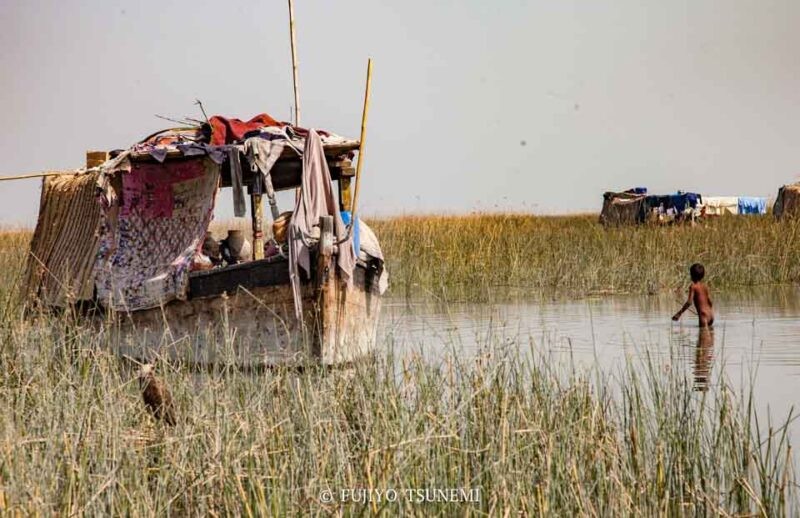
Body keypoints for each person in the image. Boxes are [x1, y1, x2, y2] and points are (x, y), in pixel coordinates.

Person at [672, 263, 714, 327]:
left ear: (691, 275)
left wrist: (679, 313)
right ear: (703, 275)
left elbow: (689, 302)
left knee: (702, 335)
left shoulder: (693, 287)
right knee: (710, 335)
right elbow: (710, 302)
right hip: (711, 315)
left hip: (703, 316)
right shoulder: (705, 286)